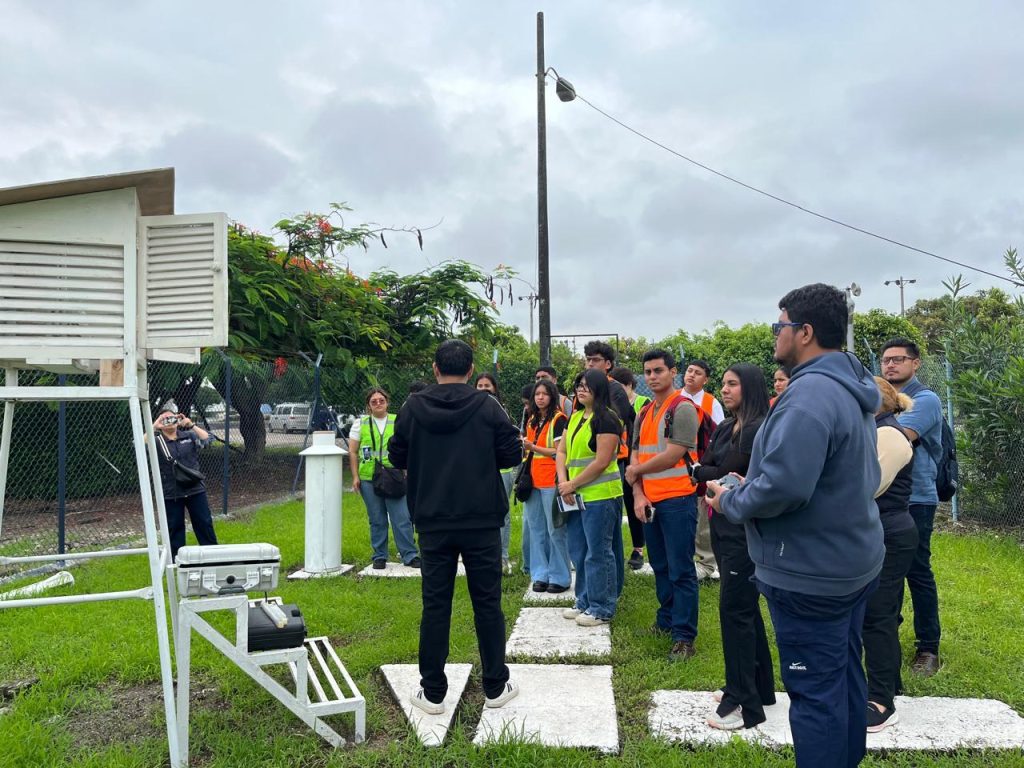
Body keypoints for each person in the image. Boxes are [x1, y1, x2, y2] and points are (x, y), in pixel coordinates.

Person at [707, 283, 884, 768]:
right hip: (849, 561)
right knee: (843, 676)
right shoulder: (849, 384)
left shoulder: (808, 396)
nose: (775, 334)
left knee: (815, 694)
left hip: (811, 574)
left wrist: (731, 499)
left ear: (804, 332)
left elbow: (784, 488)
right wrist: (755, 482)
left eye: (779, 325)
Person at [388, 339, 523, 715]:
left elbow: (396, 454)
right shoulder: (488, 405)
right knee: (487, 603)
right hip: (481, 519)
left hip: (432, 519)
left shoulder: (413, 407)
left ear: (435, 368)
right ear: (470, 369)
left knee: (435, 605)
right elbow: (511, 453)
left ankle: (432, 692)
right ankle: (495, 685)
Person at [691, 364, 775, 729]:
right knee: (745, 609)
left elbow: (720, 470)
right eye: (723, 384)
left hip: (745, 530)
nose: (724, 390)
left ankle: (743, 703)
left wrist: (706, 472)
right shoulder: (727, 426)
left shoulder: (758, 429)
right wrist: (707, 472)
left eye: (732, 384)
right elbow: (711, 466)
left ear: (750, 388)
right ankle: (761, 688)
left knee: (734, 609)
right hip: (721, 523)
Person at [624, 349, 701, 661]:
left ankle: (684, 637)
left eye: (658, 370)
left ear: (673, 373)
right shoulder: (644, 412)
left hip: (678, 500)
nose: (652, 376)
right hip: (650, 501)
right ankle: (666, 620)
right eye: (648, 372)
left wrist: (636, 472)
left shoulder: (683, 408)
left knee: (681, 570)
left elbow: (673, 453)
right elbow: (634, 454)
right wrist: (638, 493)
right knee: (660, 566)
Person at [880, 337, 944, 677]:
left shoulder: (925, 399)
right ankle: (885, 634)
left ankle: (928, 648)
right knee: (883, 571)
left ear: (916, 363)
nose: (890, 365)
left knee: (917, 571)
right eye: (885, 360)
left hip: (916, 498)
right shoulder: (882, 401)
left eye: (898, 359)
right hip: (884, 498)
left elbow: (900, 435)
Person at [863, 376, 917, 733]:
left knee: (877, 616)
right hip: (881, 532)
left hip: (890, 534)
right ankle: (889, 684)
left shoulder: (889, 435)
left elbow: (869, 486)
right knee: (882, 614)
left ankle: (881, 701)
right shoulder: (878, 431)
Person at [556, 369, 624, 626]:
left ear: (599, 389)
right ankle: (584, 600)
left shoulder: (607, 419)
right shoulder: (575, 417)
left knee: (599, 553)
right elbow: (561, 452)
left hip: (600, 496)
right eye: (579, 385)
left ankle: (602, 607)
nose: (581, 389)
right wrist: (564, 483)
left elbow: (602, 461)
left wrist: (571, 484)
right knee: (579, 550)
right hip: (574, 495)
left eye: (587, 385)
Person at [582, 340, 634, 596]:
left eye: (595, 360)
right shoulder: (586, 388)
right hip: (586, 470)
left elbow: (620, 422)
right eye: (587, 360)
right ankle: (600, 585)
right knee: (596, 536)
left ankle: (614, 586)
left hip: (612, 462)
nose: (590, 364)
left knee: (608, 533)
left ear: (608, 364)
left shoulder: (614, 390)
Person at [348, 388, 420, 569]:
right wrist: (355, 476)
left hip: (394, 475)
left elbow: (408, 446)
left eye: (381, 400)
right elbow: (353, 451)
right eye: (374, 401)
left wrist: (407, 469)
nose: (378, 403)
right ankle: (379, 556)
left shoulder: (397, 421)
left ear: (387, 402)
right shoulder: (361, 423)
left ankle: (410, 555)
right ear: (369, 406)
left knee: (401, 517)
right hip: (369, 477)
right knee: (377, 519)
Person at [521, 378, 571, 593]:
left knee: (555, 529)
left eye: (545, 394)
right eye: (537, 394)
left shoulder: (559, 419)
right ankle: (540, 574)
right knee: (536, 529)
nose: (540, 398)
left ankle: (560, 576)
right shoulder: (532, 419)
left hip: (551, 480)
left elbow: (559, 452)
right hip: (532, 481)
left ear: (552, 396)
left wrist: (533, 447)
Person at [152, 410, 218, 561]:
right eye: (165, 419)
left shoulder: (189, 436)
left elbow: (208, 439)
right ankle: (177, 560)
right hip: (172, 492)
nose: (169, 421)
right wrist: (154, 427)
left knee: (204, 523)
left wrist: (191, 425)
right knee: (175, 527)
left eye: (172, 418)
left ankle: (212, 556)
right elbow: (138, 445)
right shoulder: (156, 441)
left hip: (195, 489)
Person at [681, 359, 724, 581]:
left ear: (705, 380)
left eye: (697, 373)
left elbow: (719, 436)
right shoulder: (674, 399)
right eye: (689, 371)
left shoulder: (711, 403)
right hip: (677, 469)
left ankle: (707, 562)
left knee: (702, 519)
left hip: (702, 468)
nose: (691, 375)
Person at [476, 373, 518, 573]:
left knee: (502, 513)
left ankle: (502, 556)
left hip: (502, 469)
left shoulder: (501, 409)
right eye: (480, 385)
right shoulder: (470, 409)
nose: (484, 389)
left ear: (495, 388)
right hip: (478, 469)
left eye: (488, 385)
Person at [610, 365, 649, 571]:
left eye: (619, 385)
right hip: (618, 460)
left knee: (634, 503)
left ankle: (638, 549)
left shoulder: (643, 402)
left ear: (629, 385)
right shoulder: (610, 402)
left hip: (636, 460)